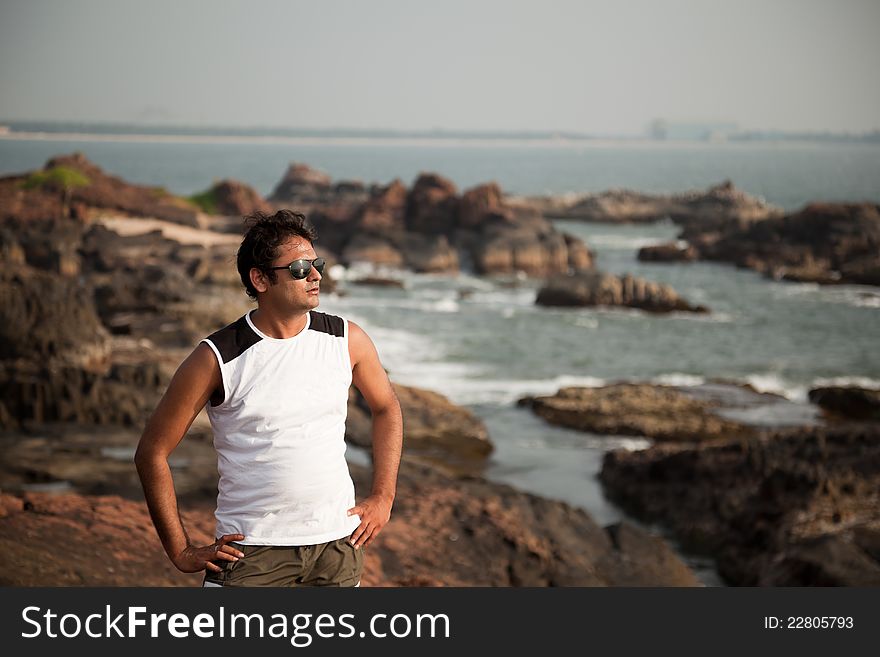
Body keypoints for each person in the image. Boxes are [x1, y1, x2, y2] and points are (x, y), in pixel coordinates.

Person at [135, 209, 403, 587]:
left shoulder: (347, 339)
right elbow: (152, 451)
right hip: (252, 553)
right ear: (259, 279)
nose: (315, 276)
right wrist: (181, 551)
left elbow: (386, 407)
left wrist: (383, 496)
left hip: (337, 549)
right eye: (298, 269)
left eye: (317, 264)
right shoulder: (217, 357)